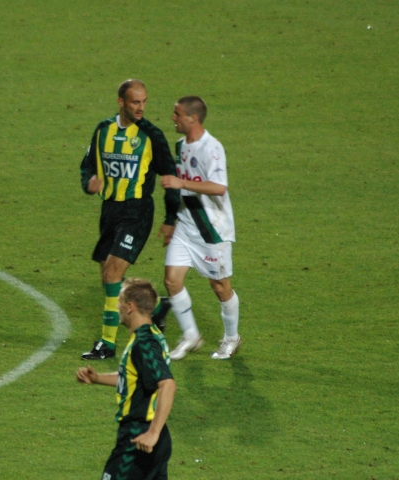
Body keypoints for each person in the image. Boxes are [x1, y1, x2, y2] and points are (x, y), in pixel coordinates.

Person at [80, 79, 180, 360]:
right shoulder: (103, 130)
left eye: (144, 101)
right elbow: (87, 164)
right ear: (121, 102)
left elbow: (170, 176)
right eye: (135, 102)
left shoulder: (151, 136)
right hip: (110, 210)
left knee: (112, 273)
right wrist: (88, 182)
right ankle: (156, 307)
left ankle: (106, 344)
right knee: (109, 278)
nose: (141, 107)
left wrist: (171, 217)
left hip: (137, 211)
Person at [159, 96, 240, 360]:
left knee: (219, 286)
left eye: (177, 114)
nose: (173, 118)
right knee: (171, 280)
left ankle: (231, 338)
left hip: (211, 229)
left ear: (193, 118)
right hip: (186, 224)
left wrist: (181, 184)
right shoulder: (181, 145)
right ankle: (191, 335)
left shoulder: (212, 148)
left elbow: (219, 187)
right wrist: (171, 220)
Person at [76, 278, 176, 480]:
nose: (116, 306)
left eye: (119, 301)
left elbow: (168, 385)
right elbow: (135, 379)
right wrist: (98, 378)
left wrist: (153, 433)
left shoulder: (144, 344)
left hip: (139, 437)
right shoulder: (150, 335)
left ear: (130, 307)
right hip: (149, 436)